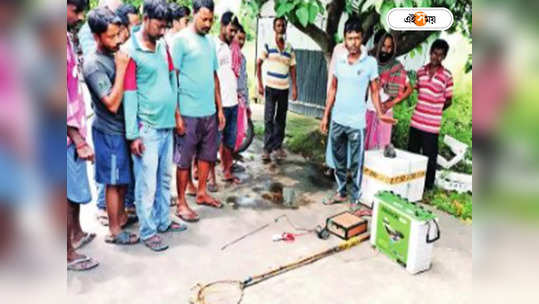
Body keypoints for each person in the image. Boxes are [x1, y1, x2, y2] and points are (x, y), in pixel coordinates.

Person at [122, 0, 187, 252]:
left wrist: (177, 115)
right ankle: (148, 230)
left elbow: (172, 78)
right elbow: (129, 94)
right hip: (146, 128)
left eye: (165, 28)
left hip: (166, 125)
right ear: (145, 17)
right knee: (146, 183)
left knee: (164, 178)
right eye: (159, 26)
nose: (162, 32)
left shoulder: (163, 46)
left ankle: (163, 220)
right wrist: (132, 135)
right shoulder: (130, 51)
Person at [320, 17, 395, 206]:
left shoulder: (369, 63)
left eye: (357, 38)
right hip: (338, 119)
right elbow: (333, 89)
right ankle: (341, 191)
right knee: (338, 160)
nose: (353, 42)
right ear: (345, 39)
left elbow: (375, 90)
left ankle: (354, 197)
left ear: (362, 39)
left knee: (355, 162)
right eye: (350, 38)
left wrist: (380, 113)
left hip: (356, 122)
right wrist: (326, 115)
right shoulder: (340, 61)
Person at [83, 8, 139, 245]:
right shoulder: (94, 65)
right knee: (114, 182)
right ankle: (115, 231)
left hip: (122, 130)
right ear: (96, 37)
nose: (118, 40)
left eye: (119, 34)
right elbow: (113, 104)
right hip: (109, 131)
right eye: (111, 36)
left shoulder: (114, 53)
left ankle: (121, 219)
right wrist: (122, 68)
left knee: (122, 179)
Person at [171, 0, 226, 222]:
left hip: (209, 112)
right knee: (184, 160)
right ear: (194, 14)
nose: (208, 23)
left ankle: (201, 193)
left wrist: (220, 109)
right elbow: (172, 78)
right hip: (188, 112)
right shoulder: (180, 41)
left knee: (207, 156)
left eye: (211, 19)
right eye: (204, 18)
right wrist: (176, 114)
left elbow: (214, 77)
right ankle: (181, 202)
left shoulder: (210, 42)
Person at [66, 0, 99, 271]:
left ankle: (75, 233)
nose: (80, 17)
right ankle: (64, 252)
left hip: (75, 127)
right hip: (64, 135)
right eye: (75, 10)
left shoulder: (65, 35)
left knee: (75, 189)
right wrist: (77, 139)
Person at [408, 39, 454, 191]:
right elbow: (417, 89)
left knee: (429, 158)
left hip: (431, 126)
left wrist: (434, 110)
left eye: (441, 55)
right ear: (430, 53)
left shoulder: (447, 76)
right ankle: (409, 182)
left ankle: (427, 187)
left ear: (445, 57)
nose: (437, 58)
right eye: (435, 54)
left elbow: (449, 100)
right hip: (416, 122)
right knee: (412, 154)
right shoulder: (421, 71)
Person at [257, 16, 298, 161]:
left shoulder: (289, 47)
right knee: (269, 118)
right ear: (274, 28)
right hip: (270, 87)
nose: (281, 28)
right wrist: (260, 84)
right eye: (278, 25)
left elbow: (293, 68)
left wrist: (295, 88)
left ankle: (278, 146)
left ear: (285, 28)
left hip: (284, 88)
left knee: (281, 118)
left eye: (283, 26)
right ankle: (267, 148)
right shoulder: (268, 44)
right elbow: (258, 63)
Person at [365, 33, 412, 150]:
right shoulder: (371, 63)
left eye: (389, 47)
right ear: (377, 45)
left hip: (386, 112)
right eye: (383, 46)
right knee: (365, 149)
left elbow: (409, 88)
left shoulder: (396, 67)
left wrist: (391, 103)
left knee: (380, 151)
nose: (386, 50)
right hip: (369, 111)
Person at [215, 12, 241, 184]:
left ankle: (227, 171)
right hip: (220, 102)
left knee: (230, 140)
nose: (233, 34)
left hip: (233, 100)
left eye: (235, 32)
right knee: (212, 141)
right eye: (231, 30)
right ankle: (206, 175)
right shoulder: (214, 45)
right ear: (222, 26)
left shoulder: (233, 47)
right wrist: (218, 106)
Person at [232, 25, 251, 155]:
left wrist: (247, 104)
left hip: (239, 101)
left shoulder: (242, 58)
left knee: (237, 132)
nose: (242, 42)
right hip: (229, 99)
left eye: (244, 39)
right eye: (239, 38)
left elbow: (244, 82)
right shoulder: (228, 55)